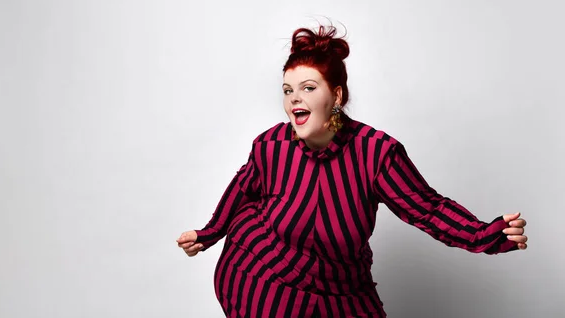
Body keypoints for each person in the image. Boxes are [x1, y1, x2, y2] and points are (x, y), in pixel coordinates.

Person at [176, 25, 528, 318]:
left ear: (337, 95)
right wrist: (209, 233)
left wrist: (485, 235)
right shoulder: (270, 145)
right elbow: (242, 189)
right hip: (269, 274)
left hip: (342, 288)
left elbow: (429, 208)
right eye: (287, 91)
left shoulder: (376, 153)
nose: (294, 99)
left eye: (308, 88)